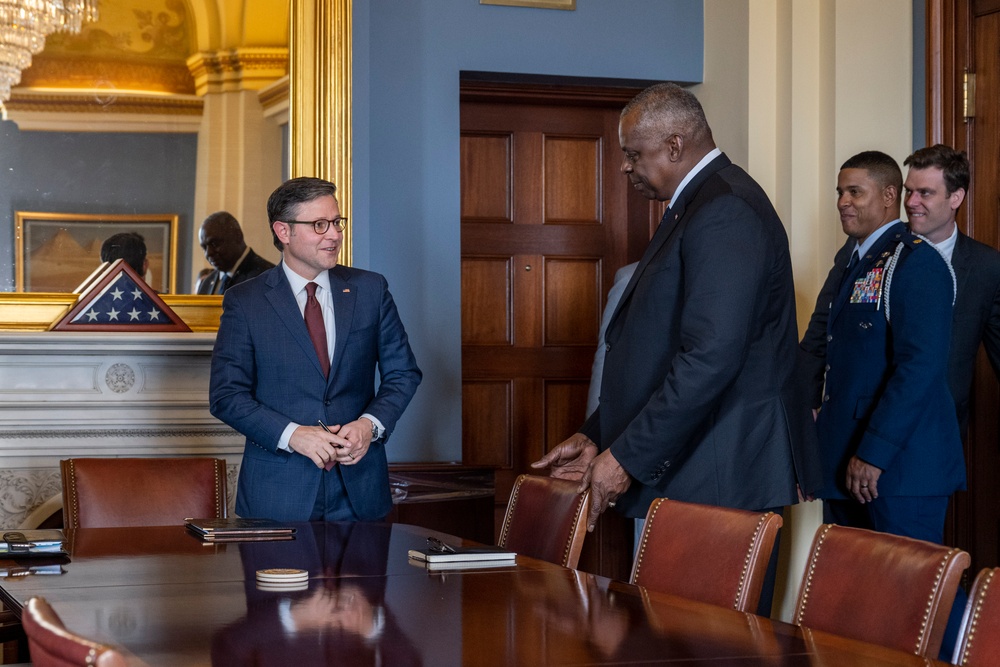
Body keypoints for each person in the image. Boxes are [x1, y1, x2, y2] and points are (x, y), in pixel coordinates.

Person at [531, 83, 819, 600]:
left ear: (673, 145)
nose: (626, 167)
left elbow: (710, 357)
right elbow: (659, 349)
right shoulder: (699, 203)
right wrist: (601, 433)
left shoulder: (726, 208)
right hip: (700, 464)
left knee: (713, 649)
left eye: (633, 154)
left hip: (722, 472)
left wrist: (627, 457)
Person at [209, 177, 421, 522]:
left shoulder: (370, 289)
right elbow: (227, 396)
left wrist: (369, 425)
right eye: (320, 225)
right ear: (284, 231)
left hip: (360, 492)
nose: (335, 234)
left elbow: (403, 373)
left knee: (367, 579)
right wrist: (295, 436)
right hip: (278, 492)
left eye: (336, 222)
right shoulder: (244, 302)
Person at [807, 150, 963, 543]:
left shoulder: (917, 262)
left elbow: (919, 367)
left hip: (899, 466)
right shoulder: (851, 259)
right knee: (855, 593)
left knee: (917, 594)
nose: (843, 202)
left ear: (889, 195)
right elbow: (821, 347)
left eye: (855, 192)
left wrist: (874, 453)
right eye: (840, 192)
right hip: (846, 458)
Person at [800, 144, 1000, 432]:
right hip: (874, 423)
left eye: (925, 193)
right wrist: (807, 399)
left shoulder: (986, 267)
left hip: (938, 430)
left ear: (956, 197)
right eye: (909, 191)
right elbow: (821, 329)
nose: (911, 202)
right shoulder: (871, 248)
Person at [196, 211, 275, 294]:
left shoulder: (268, 277)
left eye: (214, 244)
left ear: (238, 236)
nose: (208, 253)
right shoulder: (207, 283)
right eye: (204, 247)